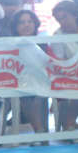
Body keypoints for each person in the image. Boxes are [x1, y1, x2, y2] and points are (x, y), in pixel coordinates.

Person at [50, 0, 78, 137]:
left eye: (64, 17)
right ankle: (69, 125)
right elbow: (60, 61)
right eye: (58, 19)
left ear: (75, 15)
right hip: (71, 73)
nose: (61, 22)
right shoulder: (57, 36)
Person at [9, 9, 48, 139]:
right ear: (15, 26)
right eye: (22, 22)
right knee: (26, 93)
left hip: (42, 79)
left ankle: (39, 132)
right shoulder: (10, 44)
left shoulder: (43, 42)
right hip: (19, 80)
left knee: (38, 92)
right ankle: (39, 131)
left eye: (29, 21)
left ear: (35, 24)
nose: (26, 25)